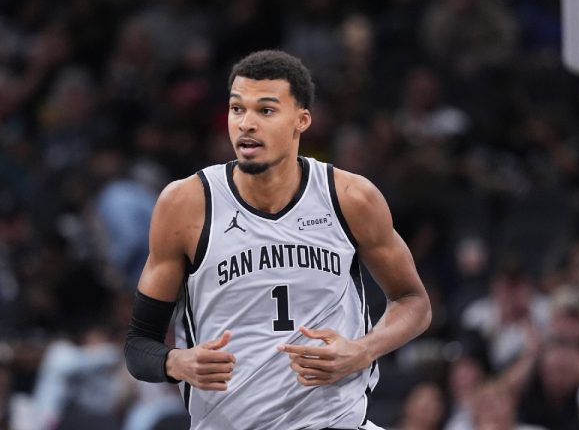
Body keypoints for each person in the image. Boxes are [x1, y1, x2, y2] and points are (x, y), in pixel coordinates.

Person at [124, 50, 432, 430]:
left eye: (265, 111)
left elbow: (414, 301)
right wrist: (176, 363)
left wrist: (362, 350)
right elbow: (139, 344)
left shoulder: (350, 197)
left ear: (301, 120)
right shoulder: (186, 204)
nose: (246, 124)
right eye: (237, 109)